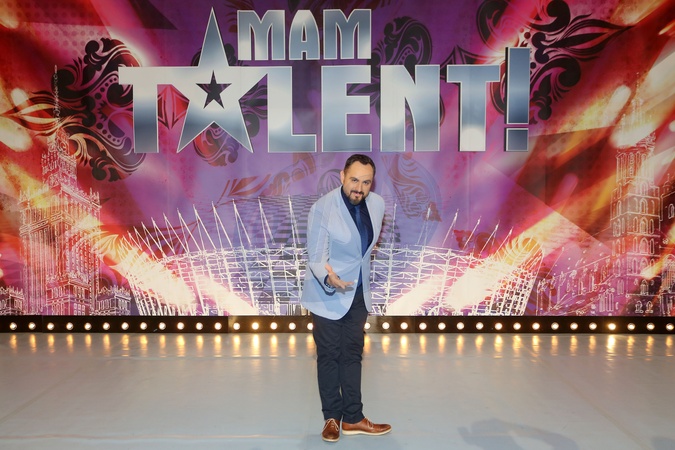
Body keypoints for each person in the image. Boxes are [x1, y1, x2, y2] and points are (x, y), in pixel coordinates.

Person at [301, 154, 392, 442]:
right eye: (354, 180)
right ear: (342, 176)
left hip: (358, 293)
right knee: (329, 355)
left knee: (353, 353)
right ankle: (331, 418)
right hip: (327, 291)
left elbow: (362, 253)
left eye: (366, 182)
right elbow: (316, 257)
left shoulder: (377, 204)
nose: (359, 188)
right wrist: (329, 278)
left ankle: (353, 418)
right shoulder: (322, 208)